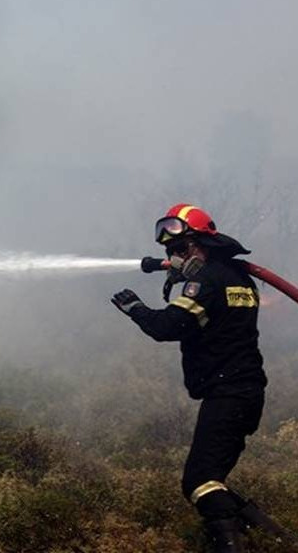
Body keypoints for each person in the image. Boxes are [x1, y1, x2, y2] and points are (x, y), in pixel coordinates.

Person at [111, 203, 289, 552]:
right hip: (244, 392)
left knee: (199, 480)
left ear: (202, 244)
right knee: (212, 480)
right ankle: (280, 540)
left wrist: (135, 308)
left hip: (229, 393)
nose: (175, 257)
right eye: (170, 252)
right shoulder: (238, 278)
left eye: (180, 249)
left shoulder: (206, 282)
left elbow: (168, 327)